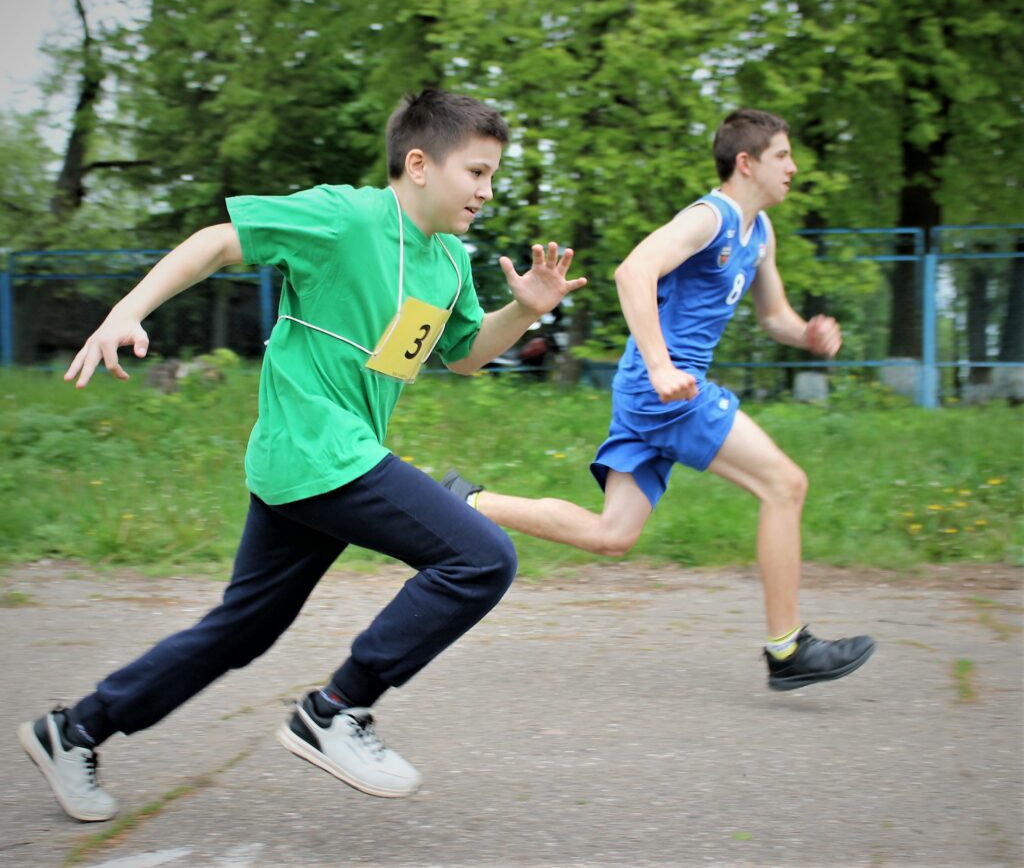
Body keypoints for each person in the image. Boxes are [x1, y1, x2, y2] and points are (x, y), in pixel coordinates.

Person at [19, 89, 586, 823]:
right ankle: (335, 710)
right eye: (475, 172)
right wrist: (128, 308)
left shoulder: (445, 263)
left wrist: (524, 310)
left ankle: (75, 731)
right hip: (316, 450)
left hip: (327, 461)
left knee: (242, 631)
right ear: (418, 164)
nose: (485, 190)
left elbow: (466, 355)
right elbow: (221, 240)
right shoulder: (347, 218)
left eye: (492, 176)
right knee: (482, 558)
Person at [443, 108, 874, 692]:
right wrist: (661, 363)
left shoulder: (760, 233)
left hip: (654, 389)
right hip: (665, 388)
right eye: (782, 157)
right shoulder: (709, 217)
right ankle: (787, 647)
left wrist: (807, 334)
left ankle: (464, 501)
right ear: (746, 164)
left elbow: (774, 316)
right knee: (785, 484)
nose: (793, 168)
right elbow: (632, 272)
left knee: (612, 535)